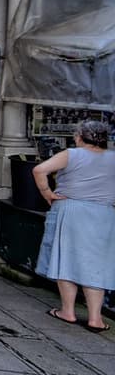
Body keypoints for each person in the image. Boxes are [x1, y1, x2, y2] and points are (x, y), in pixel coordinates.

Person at [33, 120, 115, 333]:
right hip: (103, 213)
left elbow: (39, 170)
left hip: (71, 210)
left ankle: (67, 311)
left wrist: (47, 194)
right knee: (97, 263)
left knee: (66, 258)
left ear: (79, 137)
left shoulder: (71, 154)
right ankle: (95, 319)